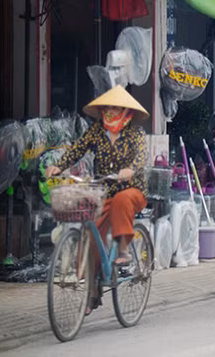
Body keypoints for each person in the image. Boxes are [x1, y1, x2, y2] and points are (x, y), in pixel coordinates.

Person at [45, 85, 149, 315]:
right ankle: (92, 292)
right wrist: (58, 166)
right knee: (91, 232)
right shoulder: (96, 131)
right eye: (107, 109)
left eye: (114, 108)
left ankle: (123, 248)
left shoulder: (135, 134)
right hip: (104, 192)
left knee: (122, 199)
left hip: (133, 191)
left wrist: (130, 170)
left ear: (125, 111)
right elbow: (77, 149)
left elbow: (142, 157)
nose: (109, 113)